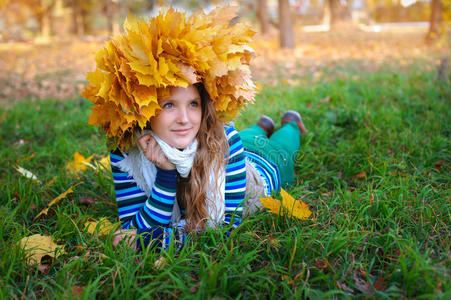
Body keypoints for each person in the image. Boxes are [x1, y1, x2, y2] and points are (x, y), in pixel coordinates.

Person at [81, 7, 307, 252]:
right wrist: (166, 174)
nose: (184, 119)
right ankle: (262, 126)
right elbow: (132, 226)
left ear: (204, 106)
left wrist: (153, 242)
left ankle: (290, 122)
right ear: (143, 109)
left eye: (193, 104)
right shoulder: (127, 151)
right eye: (168, 105)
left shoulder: (225, 140)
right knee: (251, 135)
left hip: (261, 169)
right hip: (234, 147)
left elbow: (224, 228)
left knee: (282, 144)